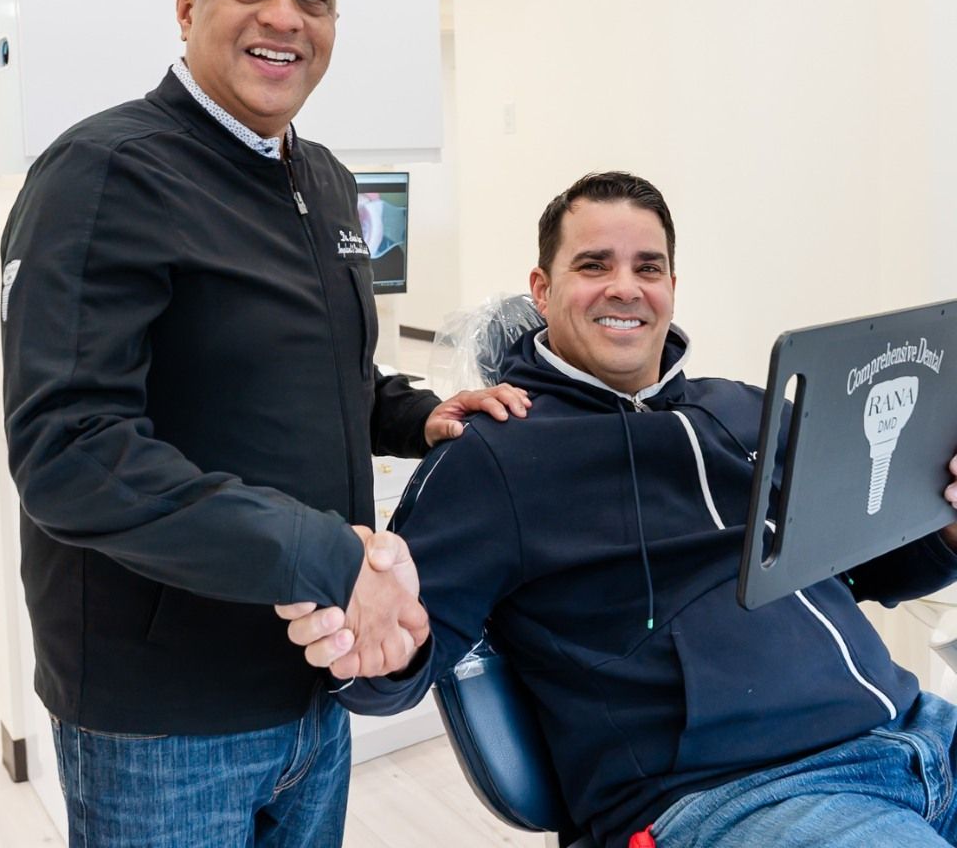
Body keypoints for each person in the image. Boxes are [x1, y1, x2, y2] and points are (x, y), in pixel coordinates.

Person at [0, 0, 529, 848]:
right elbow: (68, 450)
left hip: (313, 677)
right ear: (187, 6)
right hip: (164, 719)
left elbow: (328, 372)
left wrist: (419, 415)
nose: (285, 15)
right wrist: (329, 554)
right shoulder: (104, 173)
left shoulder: (321, 179)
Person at [281, 171, 957, 848]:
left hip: (919, 730)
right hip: (735, 795)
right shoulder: (495, 458)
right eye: (593, 265)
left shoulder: (748, 408)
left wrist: (946, 532)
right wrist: (379, 652)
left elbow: (868, 567)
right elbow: (398, 657)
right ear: (542, 290)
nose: (625, 288)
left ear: (671, 286)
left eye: (648, 267)